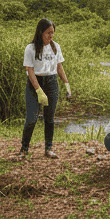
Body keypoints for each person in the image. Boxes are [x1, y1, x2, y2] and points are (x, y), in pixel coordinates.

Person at [20, 18, 71, 159]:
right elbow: (29, 70)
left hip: (51, 82)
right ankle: (24, 149)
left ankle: (48, 149)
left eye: (52, 33)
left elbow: (59, 67)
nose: (50, 36)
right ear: (41, 32)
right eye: (48, 33)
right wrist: (38, 90)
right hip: (35, 83)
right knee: (31, 118)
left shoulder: (56, 47)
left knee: (50, 118)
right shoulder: (30, 48)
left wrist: (66, 84)